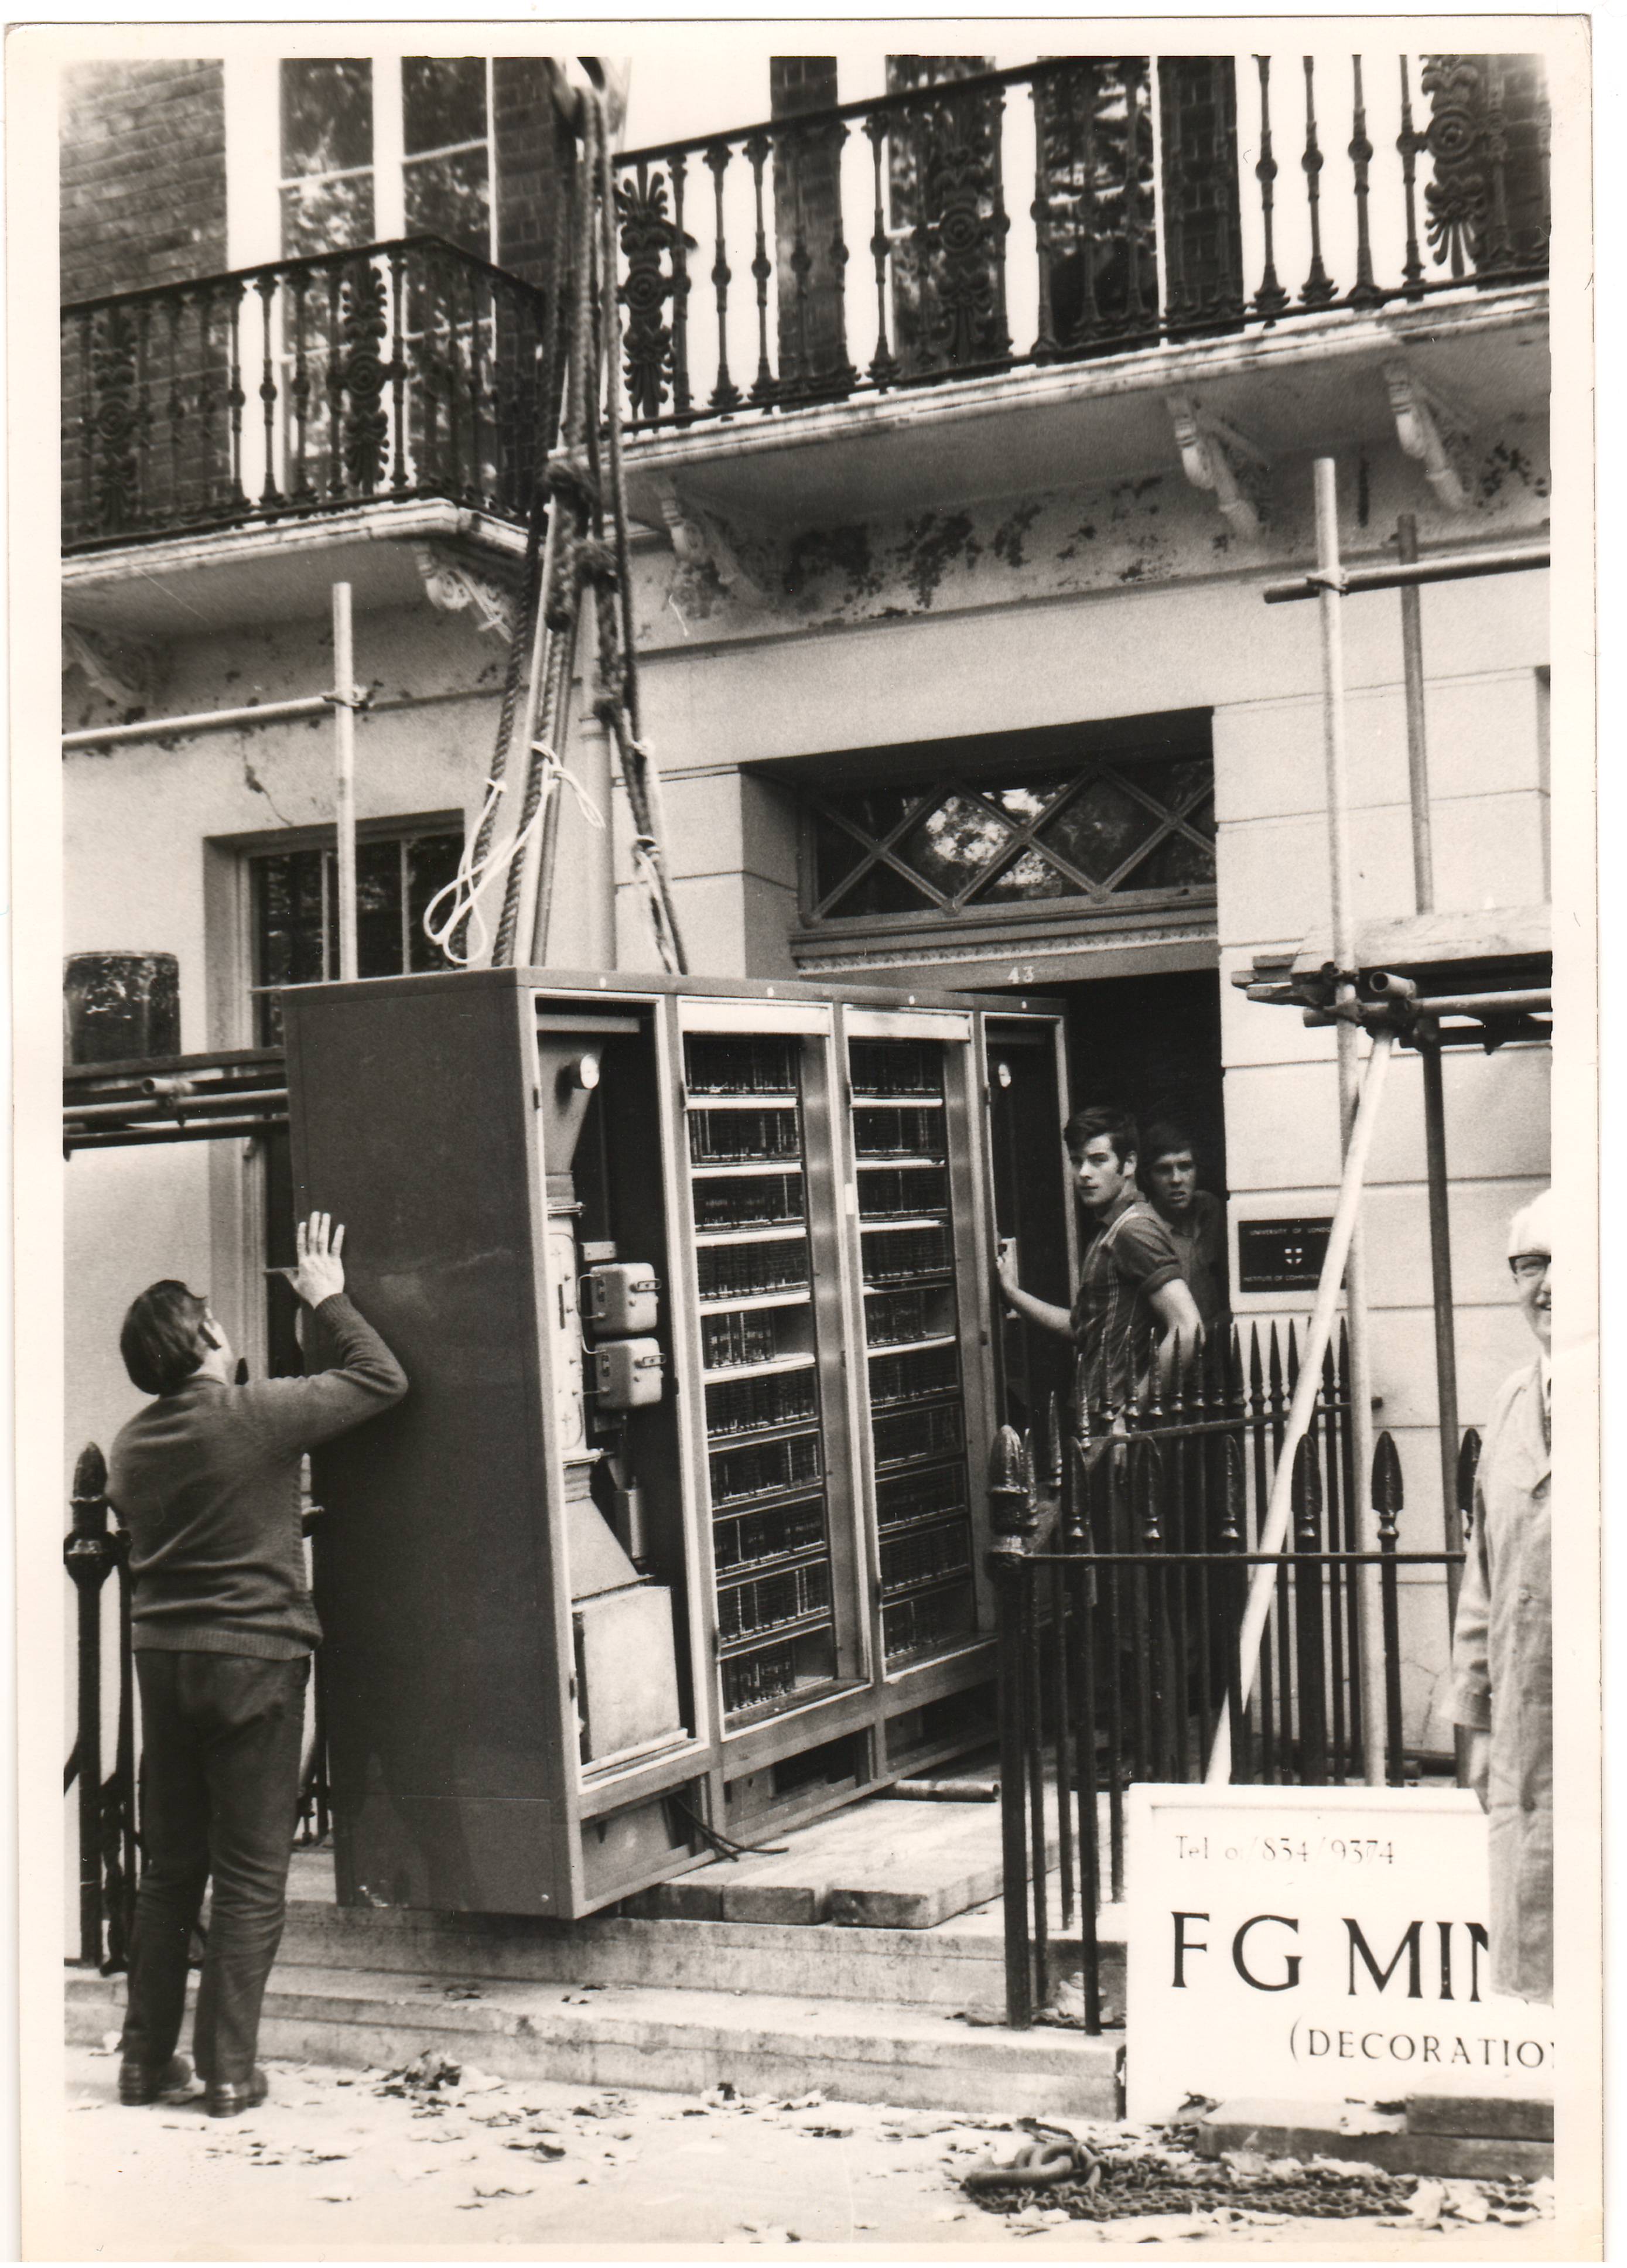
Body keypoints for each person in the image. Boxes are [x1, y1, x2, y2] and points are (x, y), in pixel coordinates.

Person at [108, 1212, 408, 2116]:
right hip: (256, 1661)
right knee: (248, 1873)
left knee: (171, 1870)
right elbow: (381, 1380)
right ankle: (230, 2071)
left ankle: (145, 2062)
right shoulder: (255, 1415)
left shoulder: (128, 1447)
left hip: (164, 1662)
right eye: (211, 1320)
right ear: (204, 1341)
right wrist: (329, 1300)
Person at [1451, 1188, 1551, 2005]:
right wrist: (1476, 1722)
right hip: (1525, 1739)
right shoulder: (1514, 1398)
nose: (1545, 1287)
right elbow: (1481, 1577)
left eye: (1564, 1263)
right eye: (1528, 1266)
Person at [996, 1105, 1203, 1415]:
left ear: (1129, 1163)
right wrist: (1013, 1293)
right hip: (1094, 1416)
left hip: (1115, 1421)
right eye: (1077, 1161)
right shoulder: (1110, 1230)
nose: (1084, 1174)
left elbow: (1188, 1329)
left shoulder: (1135, 1230)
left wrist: (1129, 1414)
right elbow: (1082, 1327)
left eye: (1098, 1161)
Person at [1140, 1119, 1229, 1337]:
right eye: (1163, 1170)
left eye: (1185, 1166)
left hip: (1222, 1353)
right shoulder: (1143, 1230)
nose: (1176, 1180)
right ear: (1148, 1178)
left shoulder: (1210, 1210)